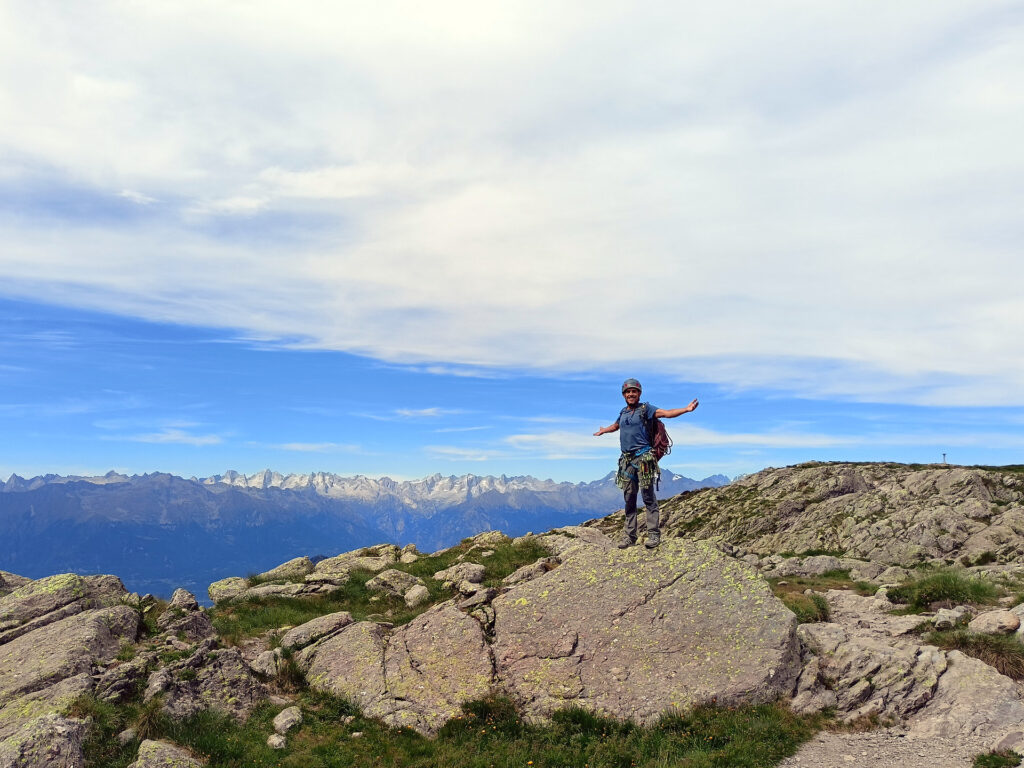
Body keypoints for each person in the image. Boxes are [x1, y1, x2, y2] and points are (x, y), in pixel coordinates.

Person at [593, 378, 699, 549]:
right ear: (624, 395)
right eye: (627, 392)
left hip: (644, 459)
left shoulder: (646, 409)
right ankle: (629, 537)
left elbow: (666, 413)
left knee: (648, 496)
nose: (631, 394)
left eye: (634, 391)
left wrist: (686, 410)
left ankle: (654, 535)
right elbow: (616, 425)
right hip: (627, 460)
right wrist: (604, 430)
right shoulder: (623, 412)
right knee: (629, 499)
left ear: (639, 393)